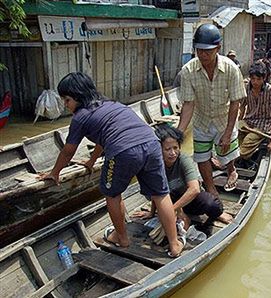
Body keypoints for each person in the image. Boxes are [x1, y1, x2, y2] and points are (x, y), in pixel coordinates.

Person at [40, 72, 183, 257]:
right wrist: (92, 161)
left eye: (67, 100)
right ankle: (174, 244)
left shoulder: (80, 117)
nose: (66, 106)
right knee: (161, 194)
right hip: (152, 143)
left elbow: (68, 150)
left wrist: (55, 172)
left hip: (123, 151)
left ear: (78, 96)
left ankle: (121, 238)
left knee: (112, 194)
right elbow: (103, 137)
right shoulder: (111, 105)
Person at [178, 23, 246, 197]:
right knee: (201, 156)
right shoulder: (188, 71)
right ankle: (211, 188)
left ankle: (231, 170)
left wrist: (229, 131)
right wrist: (178, 133)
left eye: (207, 51)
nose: (202, 55)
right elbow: (188, 104)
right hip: (202, 121)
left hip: (225, 119)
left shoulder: (231, 68)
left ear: (218, 48)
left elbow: (235, 103)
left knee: (227, 153)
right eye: (199, 50)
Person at [133, 124, 233, 225]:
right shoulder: (155, 165)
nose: (173, 153)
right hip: (169, 200)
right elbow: (155, 193)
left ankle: (219, 214)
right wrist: (151, 213)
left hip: (189, 199)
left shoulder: (183, 159)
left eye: (175, 148)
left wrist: (172, 210)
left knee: (211, 204)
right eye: (167, 149)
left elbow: (194, 189)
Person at [238, 62, 271, 159]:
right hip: (248, 121)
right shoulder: (246, 88)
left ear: (264, 78)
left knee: (248, 140)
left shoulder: (270, 91)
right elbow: (242, 107)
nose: (255, 82)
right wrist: (239, 122)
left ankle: (235, 157)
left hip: (263, 125)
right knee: (234, 135)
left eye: (258, 79)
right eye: (253, 79)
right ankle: (241, 155)